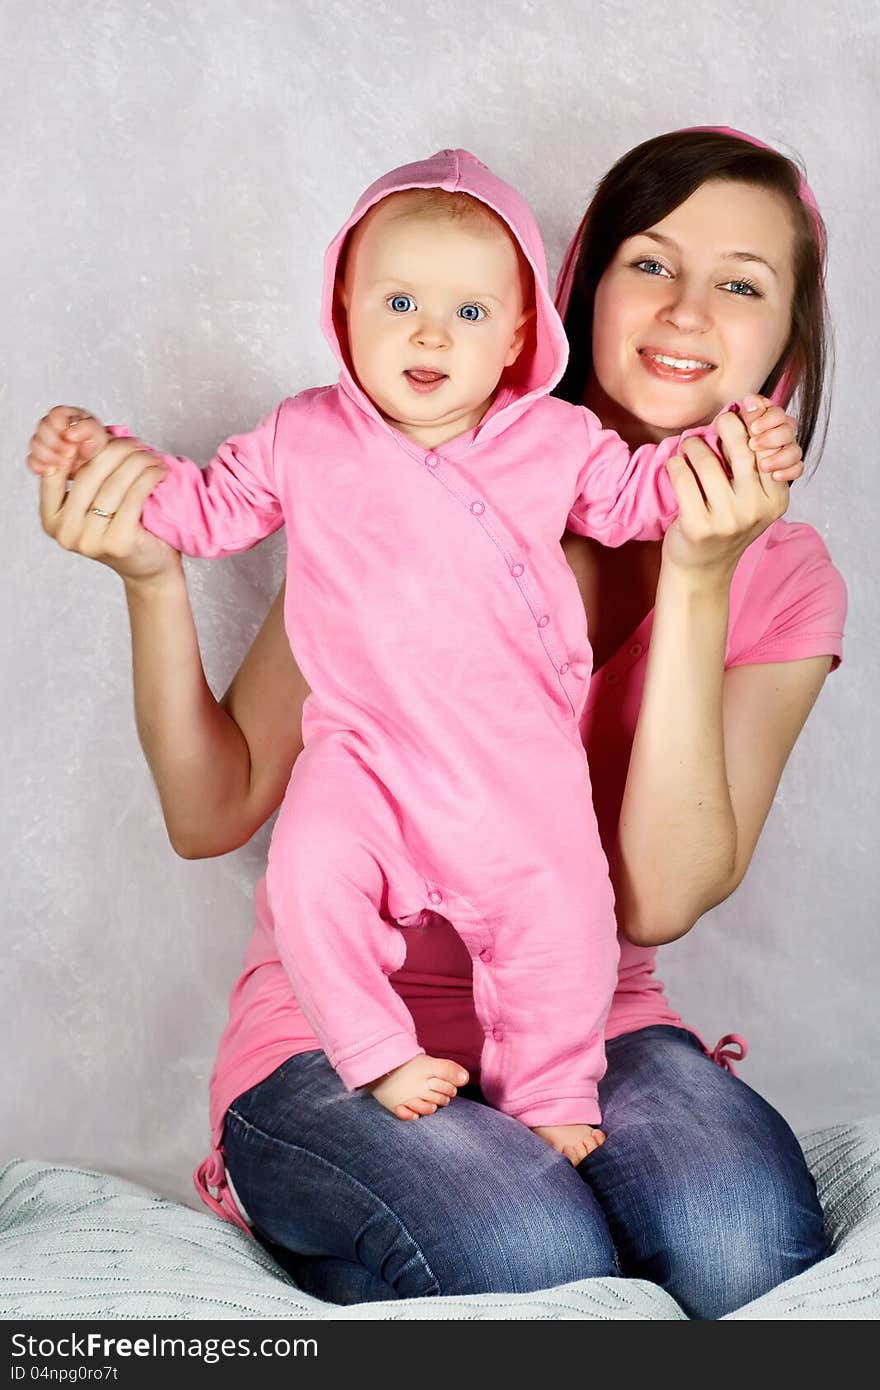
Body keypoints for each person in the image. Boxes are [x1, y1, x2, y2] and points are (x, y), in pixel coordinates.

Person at [29, 128, 844, 1319]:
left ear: (784, 342)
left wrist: (699, 571)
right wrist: (154, 579)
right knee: (527, 1251)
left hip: (586, 1010)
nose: (684, 314)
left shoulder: (784, 576)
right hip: (333, 1013)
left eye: (739, 285)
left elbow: (656, 901)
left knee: (737, 1249)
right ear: (571, 295)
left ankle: (416, 1233)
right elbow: (214, 813)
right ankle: (350, 1205)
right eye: (650, 265)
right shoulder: (389, 486)